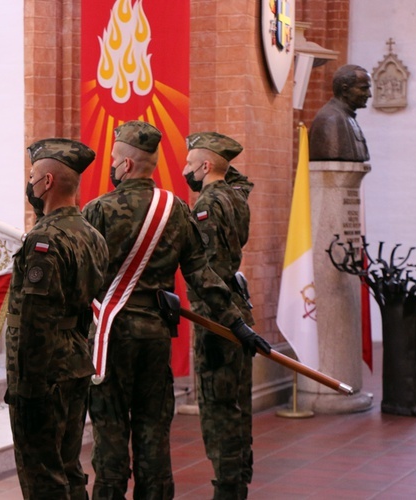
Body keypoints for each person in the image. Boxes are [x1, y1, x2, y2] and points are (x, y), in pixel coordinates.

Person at [82, 121, 270, 499]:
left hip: (110, 337)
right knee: (154, 430)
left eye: (115, 160)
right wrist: (237, 323)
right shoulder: (176, 209)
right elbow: (202, 274)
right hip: (154, 335)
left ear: (127, 165)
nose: (113, 167)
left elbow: (81, 280)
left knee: (111, 430)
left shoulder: (98, 210)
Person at [5, 138, 108, 499]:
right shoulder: (92, 235)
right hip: (75, 365)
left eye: (33, 176)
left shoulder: (45, 240)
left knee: (42, 478)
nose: (29, 183)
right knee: (67, 467)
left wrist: (27, 389)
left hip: (43, 377)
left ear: (47, 182)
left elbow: (35, 322)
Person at [183, 131, 256, 499]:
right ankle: (240, 481)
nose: (185, 171)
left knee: (218, 410)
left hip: (218, 316)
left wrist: (226, 321)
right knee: (239, 407)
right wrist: (219, 164)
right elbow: (240, 179)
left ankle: (227, 489)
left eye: (190, 164)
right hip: (237, 306)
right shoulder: (235, 194)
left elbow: (207, 269)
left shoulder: (206, 203)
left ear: (206, 166)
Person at [309, 64, 372, 162]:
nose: (369, 94)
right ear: (345, 90)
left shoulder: (348, 117)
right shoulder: (331, 119)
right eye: (363, 88)